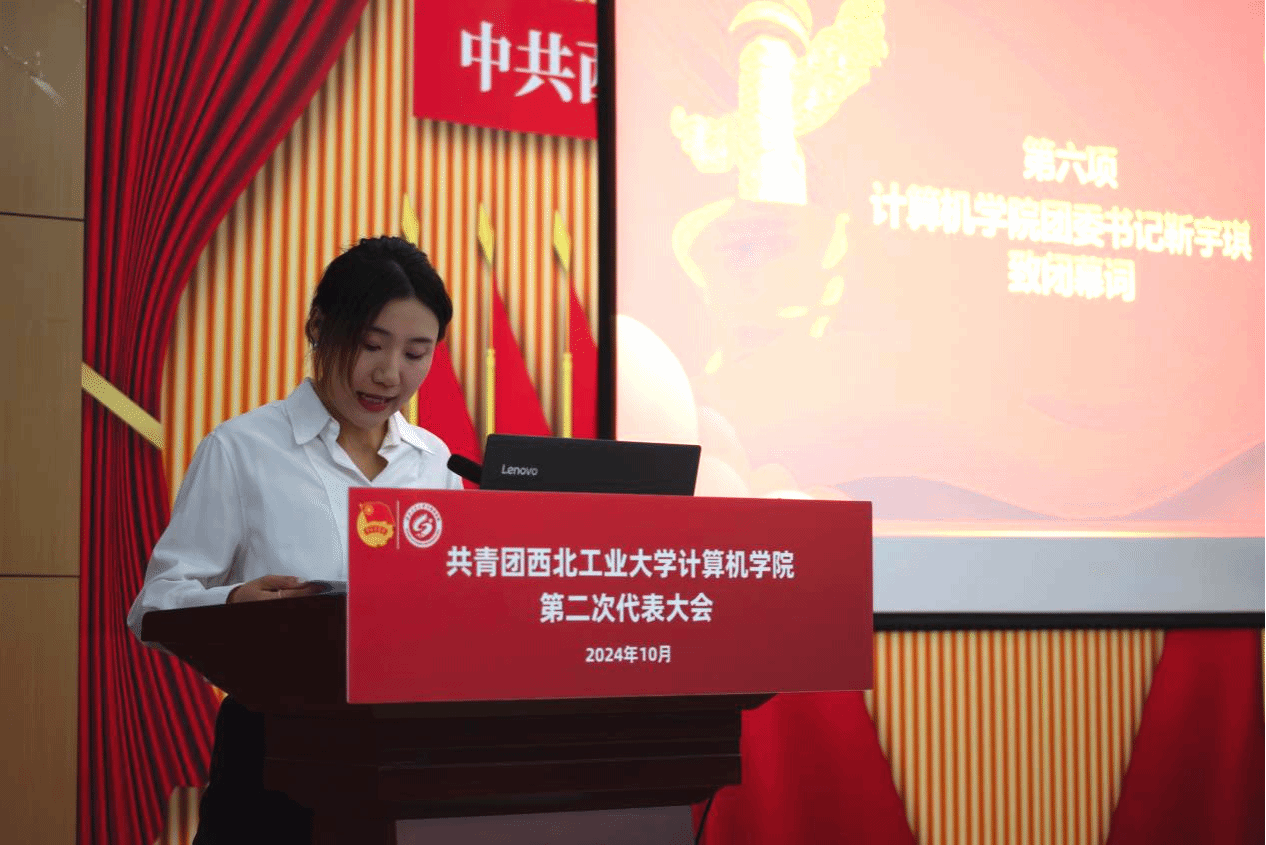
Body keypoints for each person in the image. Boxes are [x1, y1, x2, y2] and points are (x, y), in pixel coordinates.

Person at [127, 236, 465, 844]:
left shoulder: (436, 463)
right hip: (271, 754)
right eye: (370, 346)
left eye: (417, 353)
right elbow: (153, 604)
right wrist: (234, 603)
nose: (390, 374)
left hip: (409, 752)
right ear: (318, 328)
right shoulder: (242, 448)